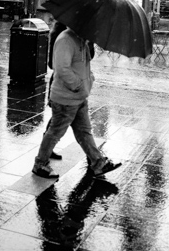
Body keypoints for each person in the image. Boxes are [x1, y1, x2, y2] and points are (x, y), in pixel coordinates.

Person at [32, 25, 121, 179]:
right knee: (55, 133)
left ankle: (98, 163)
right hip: (66, 98)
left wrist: (89, 80)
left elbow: (83, 65)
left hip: (79, 97)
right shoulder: (66, 40)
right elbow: (61, 68)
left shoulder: (81, 40)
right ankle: (40, 164)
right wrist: (78, 85)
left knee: (84, 132)